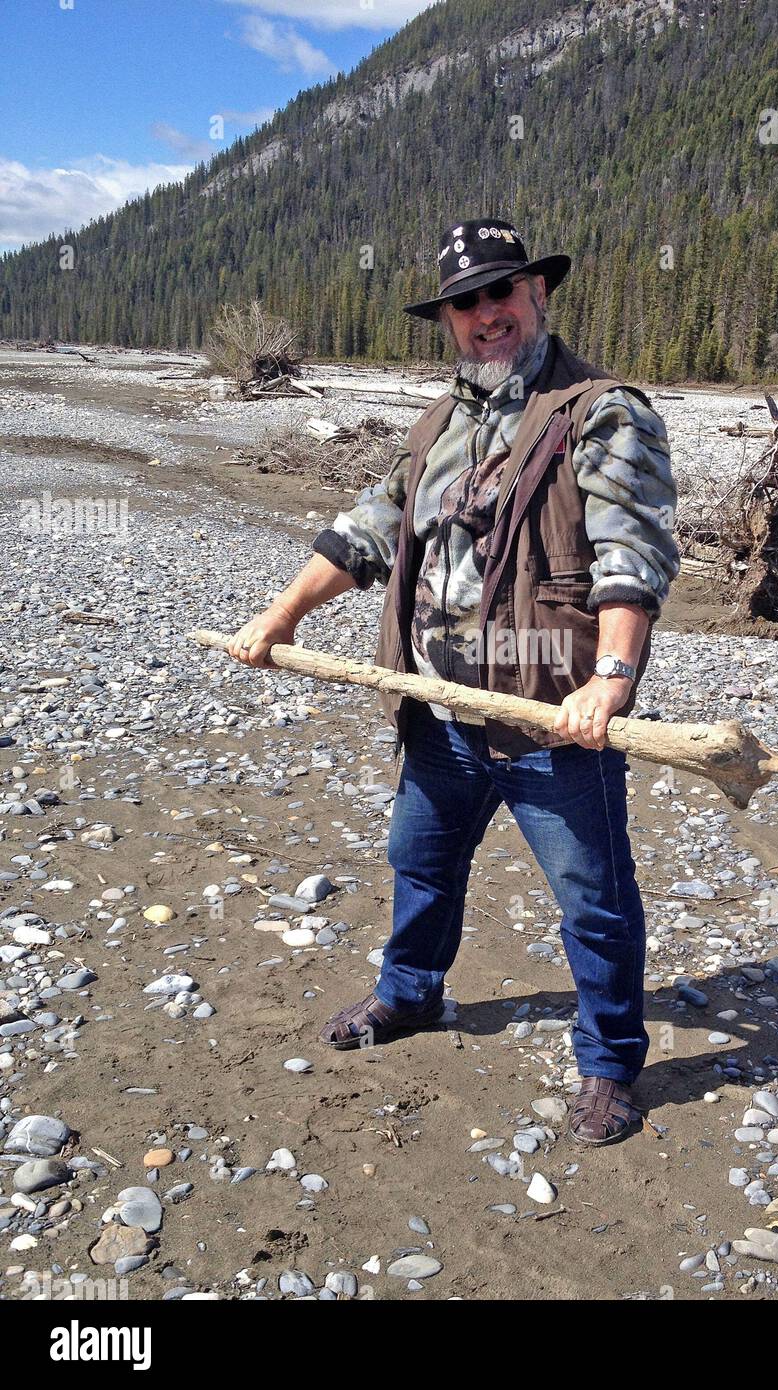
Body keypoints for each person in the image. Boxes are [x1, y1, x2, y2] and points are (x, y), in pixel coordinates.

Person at [229, 216, 680, 1146]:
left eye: (499, 293)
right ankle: (411, 996)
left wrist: (610, 679)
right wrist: (282, 614)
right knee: (420, 866)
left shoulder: (599, 410)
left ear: (537, 294)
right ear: (446, 319)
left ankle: (608, 1064)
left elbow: (631, 556)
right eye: (463, 302)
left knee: (593, 901)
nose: (484, 314)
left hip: (550, 717)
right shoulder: (440, 422)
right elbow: (367, 530)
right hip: (437, 711)